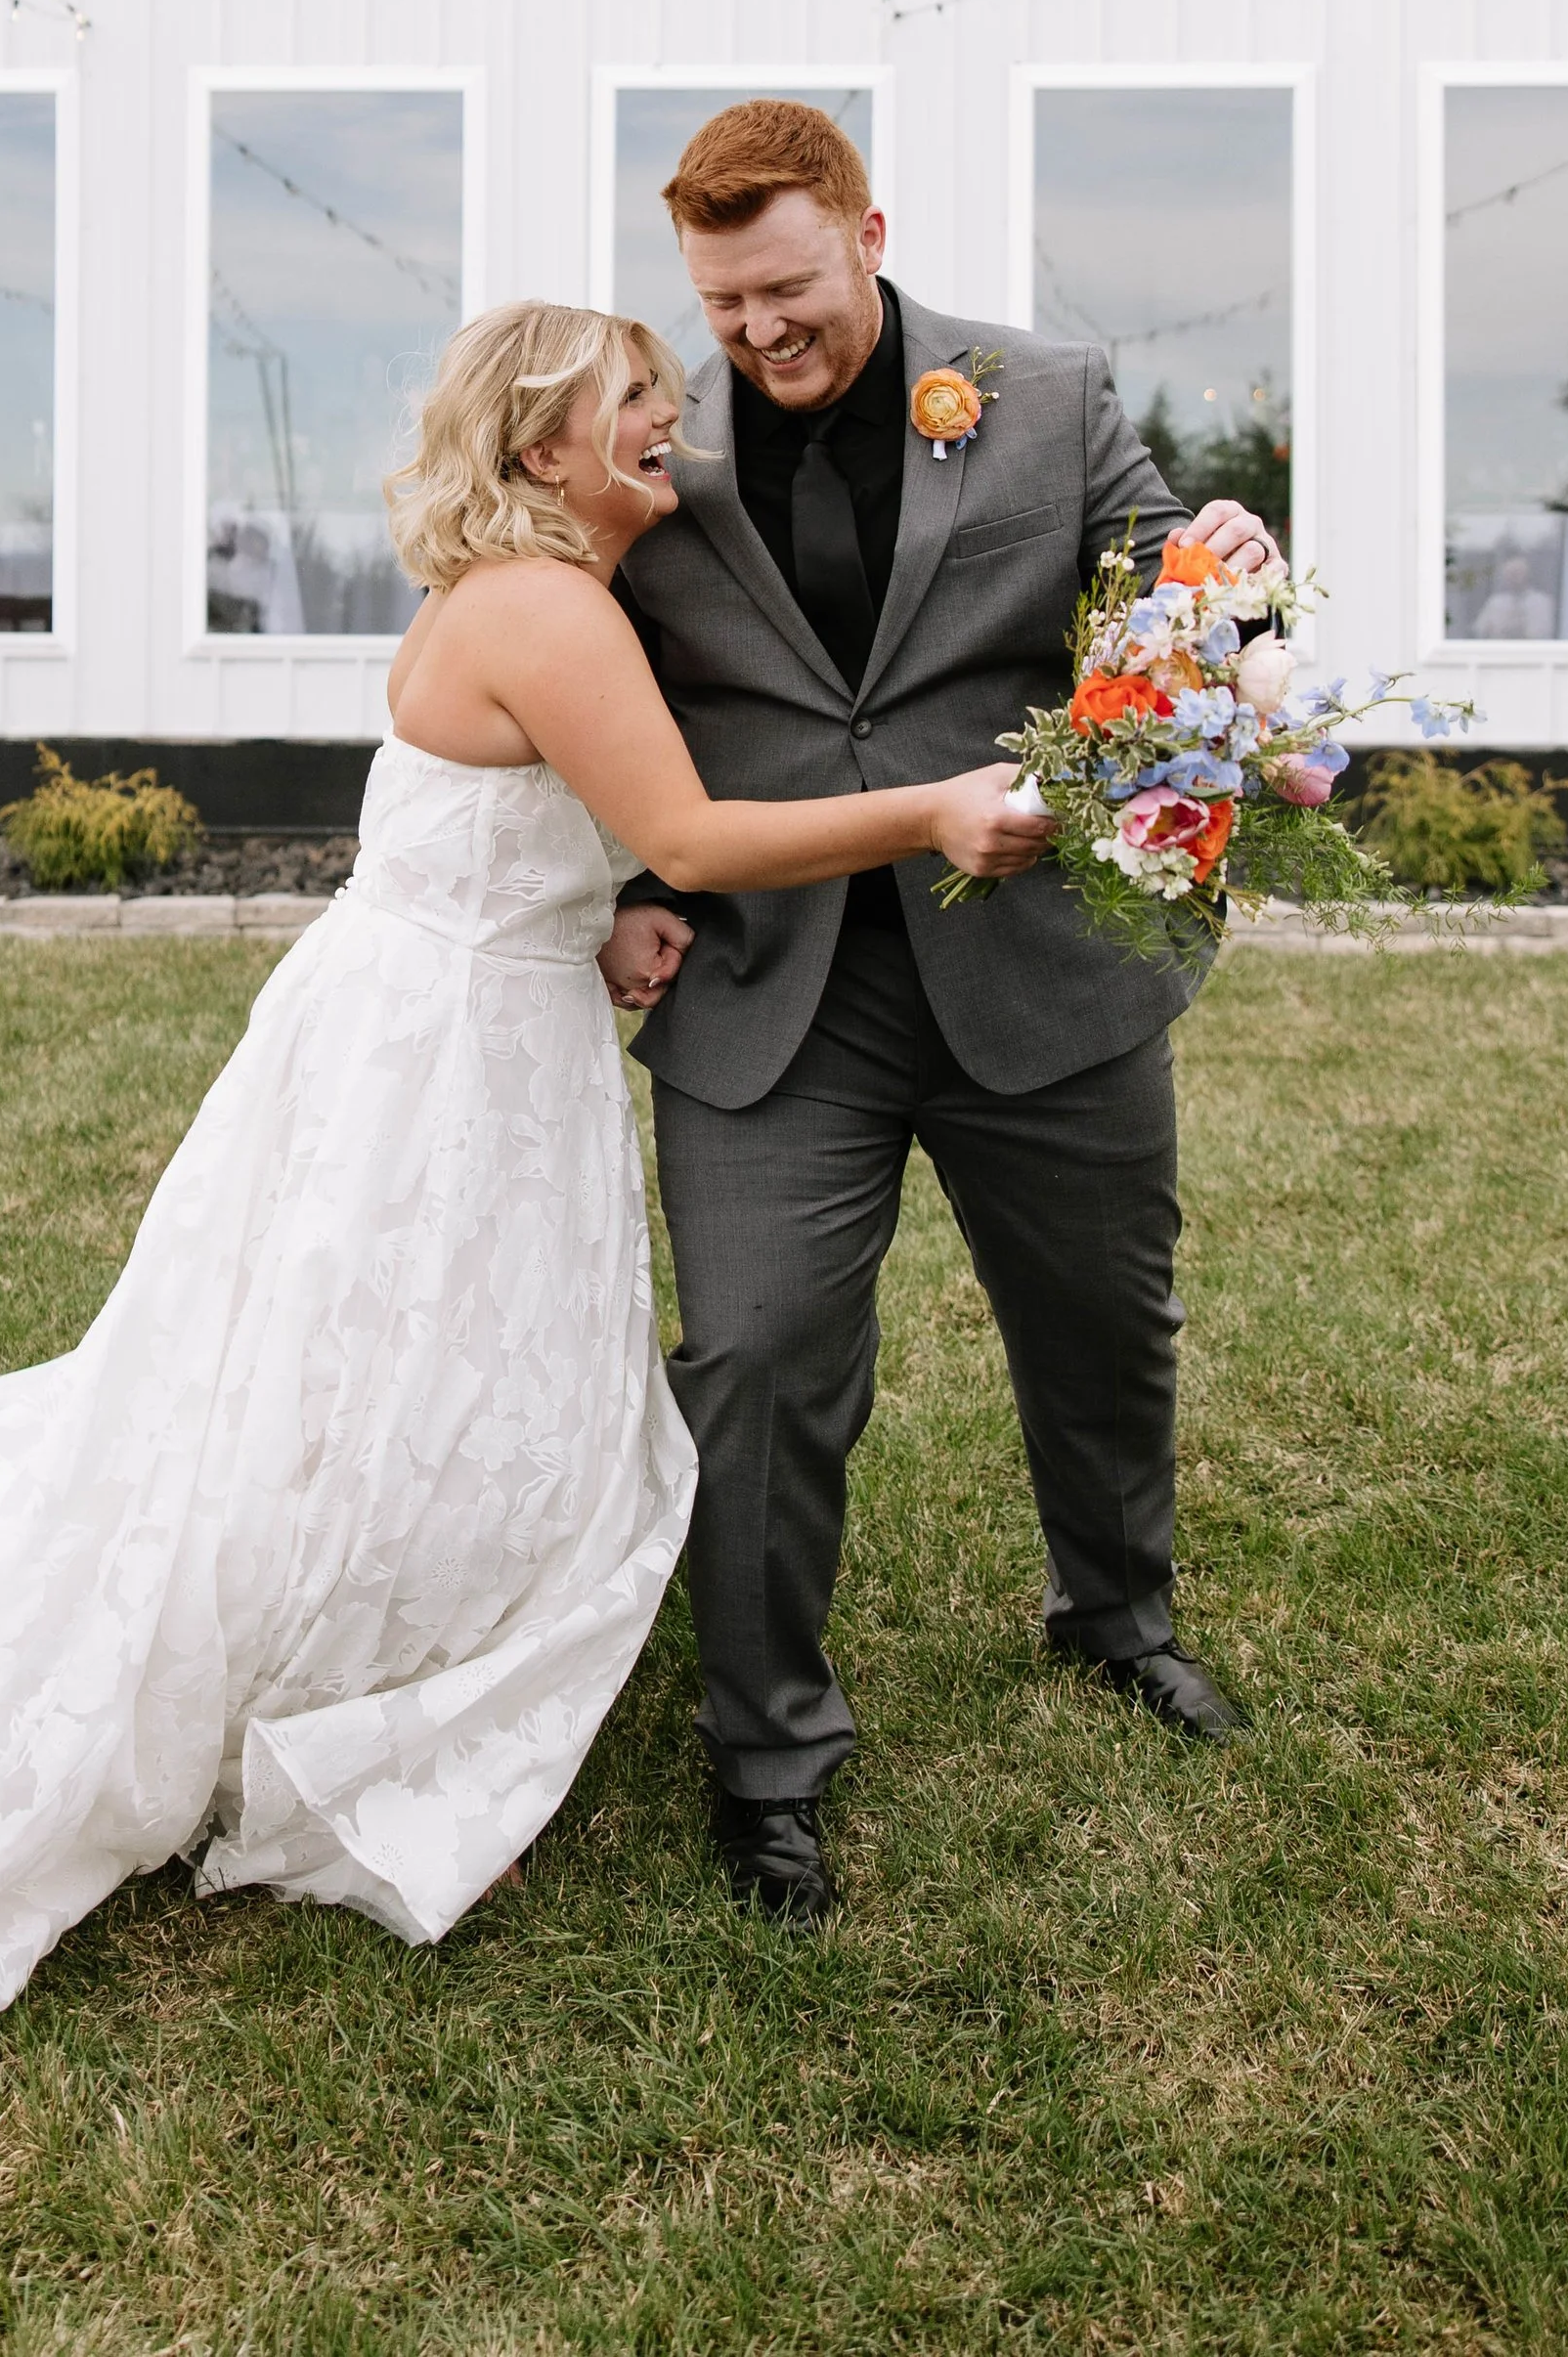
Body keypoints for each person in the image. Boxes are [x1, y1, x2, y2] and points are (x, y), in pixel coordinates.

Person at [0, 299, 1033, 2090]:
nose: (669, 428)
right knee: (389, 1383)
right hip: (434, 1063)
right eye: (637, 401)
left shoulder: (532, 599)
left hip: (444, 1020)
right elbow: (686, 831)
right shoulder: (546, 603)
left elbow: (491, 831)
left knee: (391, 1382)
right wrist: (928, 811)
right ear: (542, 448)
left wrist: (582, 911)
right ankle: (353, 1722)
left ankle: (374, 1680)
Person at [598, 102, 1285, 1928]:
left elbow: (1160, 595)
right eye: (722, 300)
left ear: (869, 231)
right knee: (750, 1354)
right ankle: (766, 1756)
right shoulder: (648, 443)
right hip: (771, 987)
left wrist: (1233, 587)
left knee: (1101, 1310)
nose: (757, 332)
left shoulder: (1048, 393)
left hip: (1040, 961)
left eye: (787, 287)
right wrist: (634, 880)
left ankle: (1116, 1612)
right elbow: (590, 674)